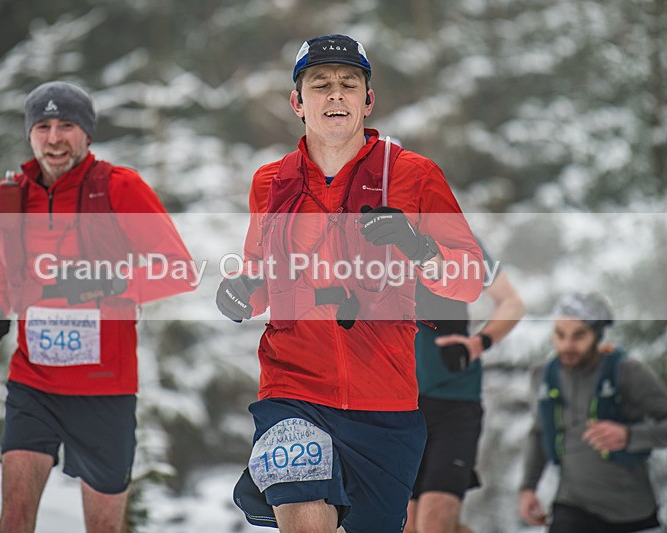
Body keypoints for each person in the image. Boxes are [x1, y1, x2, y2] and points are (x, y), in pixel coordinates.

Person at [219, 34, 484, 532]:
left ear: (368, 100)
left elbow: (469, 279)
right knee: (303, 516)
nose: (335, 94)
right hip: (292, 388)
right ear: (298, 103)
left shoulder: (415, 176)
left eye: (349, 83)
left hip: (386, 402)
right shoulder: (270, 182)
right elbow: (261, 273)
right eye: (320, 84)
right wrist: (241, 293)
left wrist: (418, 247)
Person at [0, 81, 195, 533]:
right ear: (30, 134)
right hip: (33, 381)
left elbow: (180, 270)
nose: (54, 138)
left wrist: (107, 283)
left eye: (67, 126)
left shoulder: (120, 188)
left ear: (87, 133)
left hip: (104, 389)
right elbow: (4, 263)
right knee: (13, 518)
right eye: (43, 127)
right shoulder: (10, 195)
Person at [519, 292, 667, 533]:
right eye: (560, 334)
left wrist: (630, 436)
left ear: (597, 335)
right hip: (572, 505)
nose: (566, 345)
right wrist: (528, 488)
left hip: (630, 513)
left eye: (578, 336)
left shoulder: (627, 372)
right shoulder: (542, 376)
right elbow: (539, 432)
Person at [405, 242, 526, 533]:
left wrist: (478, 343)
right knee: (405, 526)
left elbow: (512, 303)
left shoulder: (456, 237)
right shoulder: (369, 237)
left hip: (454, 402)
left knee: (434, 524)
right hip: (399, 405)